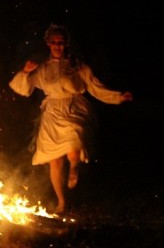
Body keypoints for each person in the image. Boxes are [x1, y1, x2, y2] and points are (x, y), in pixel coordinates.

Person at [9, 24, 133, 215]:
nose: (58, 46)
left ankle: (74, 167)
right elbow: (23, 89)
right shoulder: (43, 68)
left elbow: (95, 87)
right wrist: (25, 72)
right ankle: (61, 202)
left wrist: (118, 97)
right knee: (55, 161)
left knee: (74, 143)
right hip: (52, 112)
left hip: (74, 107)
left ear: (66, 44)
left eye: (61, 43)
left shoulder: (77, 65)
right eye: (54, 43)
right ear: (48, 44)